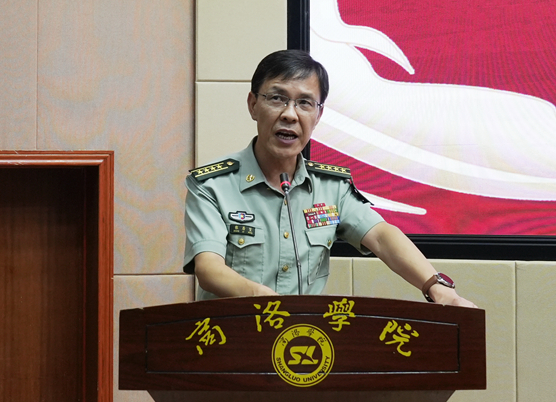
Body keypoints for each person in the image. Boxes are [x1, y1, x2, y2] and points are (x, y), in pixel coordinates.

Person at [183, 49, 476, 308]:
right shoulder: (212, 186)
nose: (290, 115)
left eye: (305, 103)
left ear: (318, 115)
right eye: (277, 98)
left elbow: (382, 237)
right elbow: (209, 269)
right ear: (253, 105)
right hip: (232, 340)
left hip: (302, 343)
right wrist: (272, 305)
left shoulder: (330, 189)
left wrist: (437, 287)